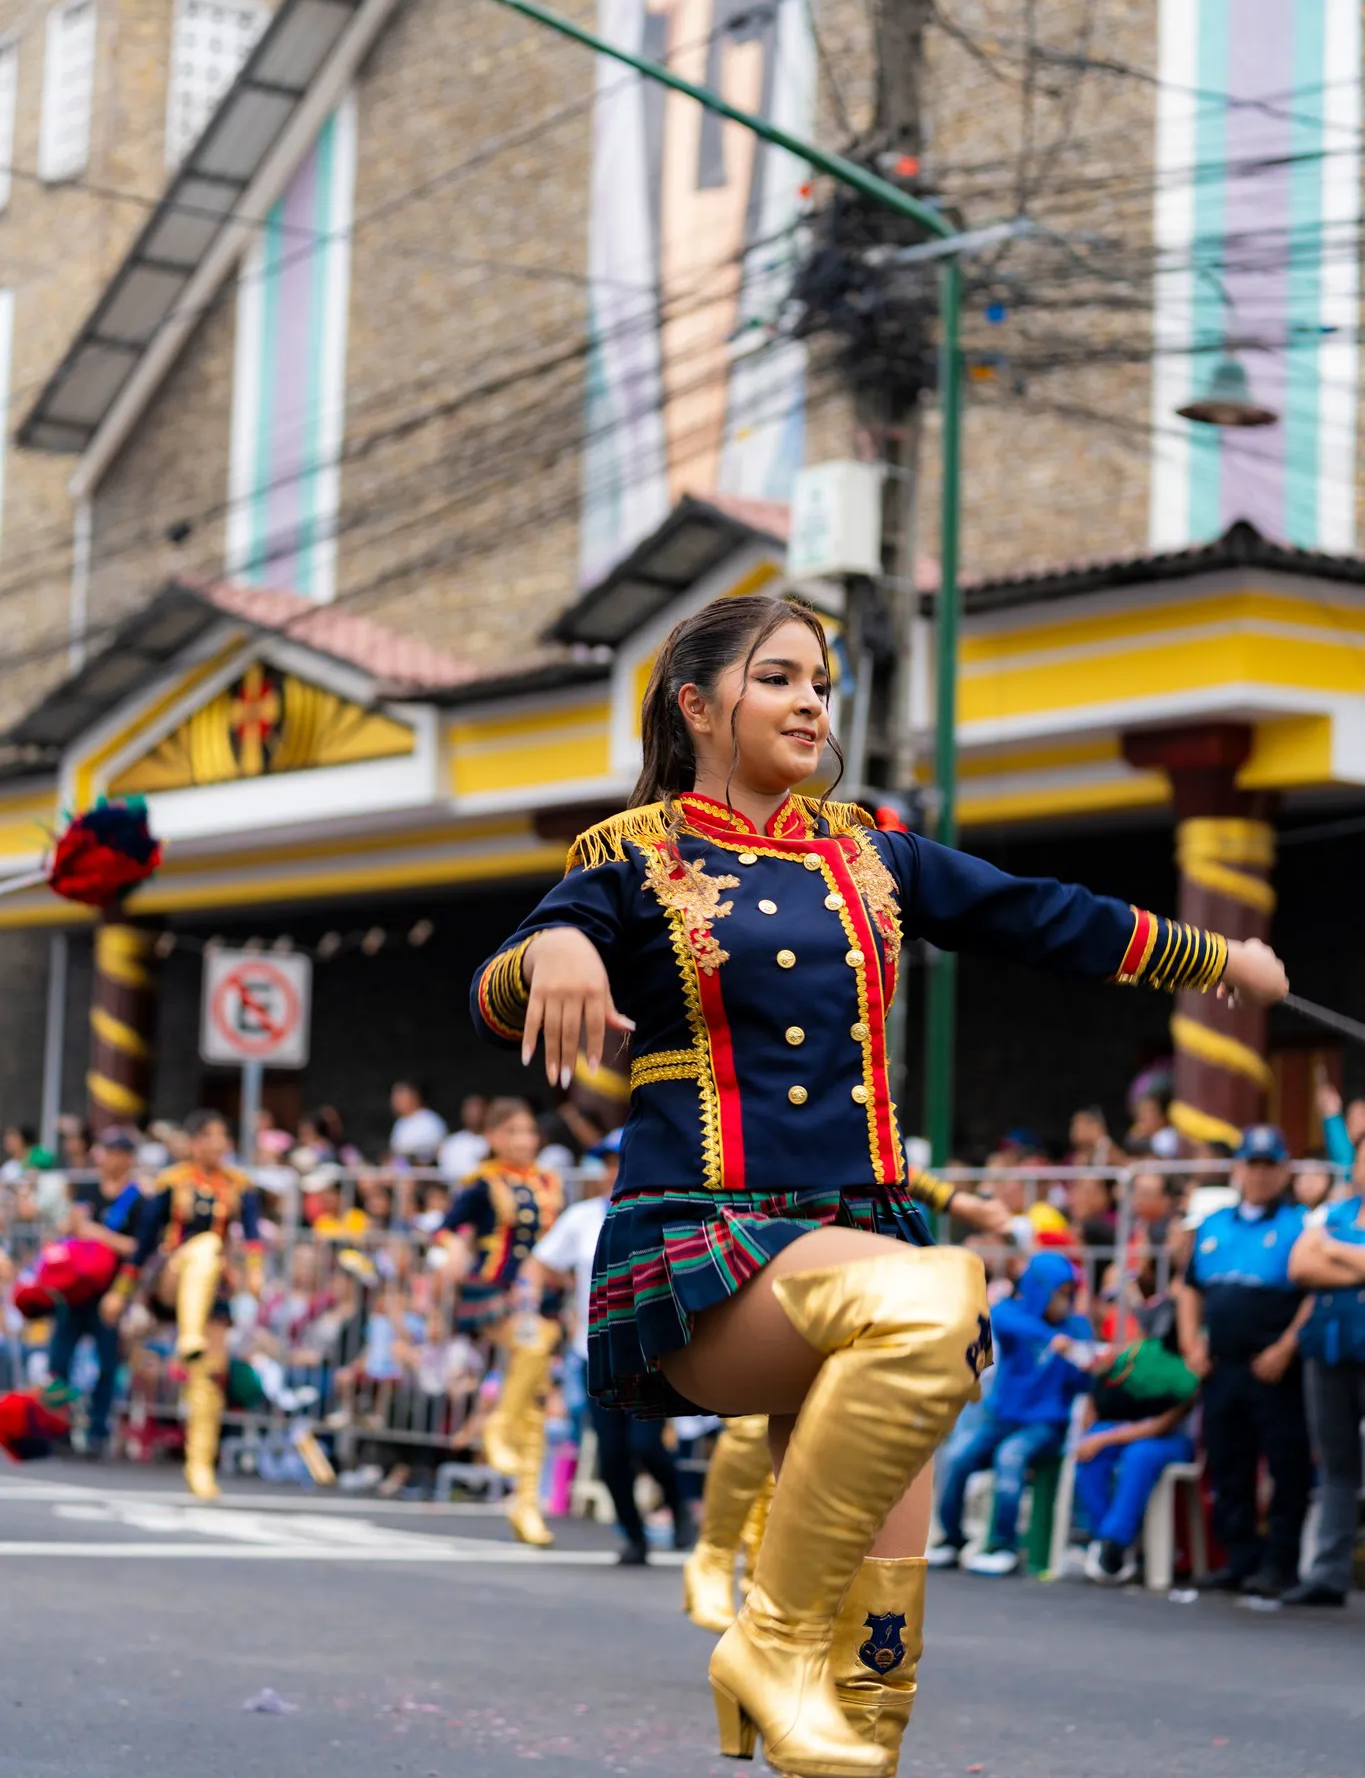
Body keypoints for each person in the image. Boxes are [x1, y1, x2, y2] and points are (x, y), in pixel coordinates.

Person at [466, 594, 1288, 1778]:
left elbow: (1039, 913)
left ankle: (832, 1702)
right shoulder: (631, 853)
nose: (812, 702)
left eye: (822, 681)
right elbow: (503, 989)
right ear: (698, 705)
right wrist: (553, 946)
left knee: (869, 1697)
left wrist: (1215, 957)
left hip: (855, 1231)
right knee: (934, 1297)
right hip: (707, 1251)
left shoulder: (870, 850)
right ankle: (768, 1637)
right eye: (779, 677)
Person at [683, 1183, 1015, 1632]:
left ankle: (773, 1601)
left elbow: (881, 1148)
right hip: (761, 1217)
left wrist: (951, 1199)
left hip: (855, 1218)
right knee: (754, 1426)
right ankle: (717, 1557)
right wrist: (953, 1201)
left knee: (837, 1428)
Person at [528, 1129, 694, 1565]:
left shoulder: (665, 1211)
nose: (614, 1171)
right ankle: (634, 1537)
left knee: (646, 1445)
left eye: (621, 1161)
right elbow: (541, 1263)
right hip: (596, 1352)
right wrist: (550, 1306)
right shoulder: (583, 1217)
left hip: (650, 1351)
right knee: (611, 1453)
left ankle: (680, 1510)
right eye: (608, 1163)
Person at [1177, 1125, 1313, 1599]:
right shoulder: (1215, 1224)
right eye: (1251, 1165)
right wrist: (1192, 1342)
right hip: (1222, 1365)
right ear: (1237, 1169)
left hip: (1274, 1367)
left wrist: (1286, 1346)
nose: (1259, 1175)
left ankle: (1280, 1563)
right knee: (1228, 1462)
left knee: (1286, 1465)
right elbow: (1190, 1288)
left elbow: (1313, 1294)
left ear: (1284, 1170)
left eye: (1268, 1166)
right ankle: (1238, 1558)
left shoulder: (1302, 1224)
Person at [102, 1109, 264, 1501]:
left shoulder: (239, 1186)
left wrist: (255, 1274)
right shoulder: (172, 1183)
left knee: (210, 1373)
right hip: (173, 1278)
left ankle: (199, 1464)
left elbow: (253, 1237)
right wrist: (120, 1292)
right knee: (205, 1246)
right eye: (210, 1136)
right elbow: (143, 1245)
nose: (218, 1144)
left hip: (214, 1288)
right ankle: (188, 1336)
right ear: (194, 1142)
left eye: (223, 1136)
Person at [432, 1096, 563, 1546]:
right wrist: (453, 1246)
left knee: (537, 1401)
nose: (524, 1141)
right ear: (493, 1136)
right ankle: (498, 1426)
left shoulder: (550, 1182)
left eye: (529, 1132)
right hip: (492, 1291)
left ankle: (526, 1504)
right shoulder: (482, 1183)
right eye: (513, 1132)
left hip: (541, 1296)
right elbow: (445, 1227)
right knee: (531, 1345)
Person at [930, 1254, 1094, 1577]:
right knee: (958, 1456)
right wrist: (1051, 1339)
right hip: (1002, 1420)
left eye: (1068, 1294)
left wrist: (1084, 1364)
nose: (1063, 1302)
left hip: (1046, 1428)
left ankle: (1003, 1546)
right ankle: (951, 1539)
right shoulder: (1012, 1313)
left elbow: (1082, 1382)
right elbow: (1001, 1318)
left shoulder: (1077, 1327)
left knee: (1010, 1456)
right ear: (1039, 1289)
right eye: (1057, 1293)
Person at [1287, 1131, 1365, 1605]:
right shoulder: (1332, 1213)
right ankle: (1328, 1574)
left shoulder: (1329, 1229)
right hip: (1331, 1351)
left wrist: (1333, 1251)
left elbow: (1319, 1256)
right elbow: (1300, 1266)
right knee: (1337, 1466)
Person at [1075, 1330, 1200, 1584]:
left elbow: (1160, 1426)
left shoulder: (1187, 1370)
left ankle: (1115, 1542)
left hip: (1171, 1440)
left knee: (1139, 1454)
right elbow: (1093, 1409)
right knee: (1091, 1449)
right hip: (1126, 1429)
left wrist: (1103, 1439)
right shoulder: (1129, 1359)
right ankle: (1102, 1536)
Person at [47, 1128, 144, 1453]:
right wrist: (71, 1226)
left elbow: (137, 1247)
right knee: (59, 1359)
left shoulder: (137, 1199)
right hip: (75, 1291)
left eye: (115, 1152)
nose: (108, 1158)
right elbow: (68, 1230)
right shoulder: (87, 1189)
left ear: (127, 1158)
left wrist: (98, 1233)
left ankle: (97, 1431)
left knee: (107, 1364)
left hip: (110, 1293)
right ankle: (58, 1426)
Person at [388, 1081, 447, 1166]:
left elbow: (434, 1155)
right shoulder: (400, 1123)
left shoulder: (430, 1121)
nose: (395, 1102)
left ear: (414, 1097)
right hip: (403, 1169)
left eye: (400, 1098)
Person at [438, 1095, 489, 1183]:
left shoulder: (494, 1140)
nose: (473, 1115)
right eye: (470, 1112)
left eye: (477, 1111)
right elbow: (445, 1172)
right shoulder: (452, 1142)